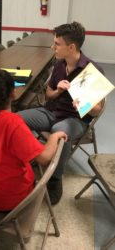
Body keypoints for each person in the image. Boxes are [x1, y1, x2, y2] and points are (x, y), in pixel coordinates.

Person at [18, 21, 104, 205]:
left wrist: (83, 103)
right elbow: (48, 95)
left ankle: (55, 179)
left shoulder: (92, 70)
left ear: (71, 47)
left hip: (74, 119)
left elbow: (96, 111)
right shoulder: (59, 65)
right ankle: (25, 159)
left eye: (56, 44)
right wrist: (58, 90)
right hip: (51, 111)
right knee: (16, 120)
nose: (52, 47)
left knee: (59, 132)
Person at [0, 67, 67, 211]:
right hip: (11, 198)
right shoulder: (14, 123)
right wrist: (54, 137)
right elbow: (44, 158)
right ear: (13, 93)